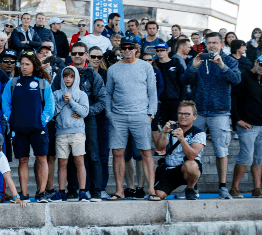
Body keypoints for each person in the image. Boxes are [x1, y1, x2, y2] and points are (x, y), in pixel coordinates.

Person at [182, 31, 240, 199]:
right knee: (194, 151)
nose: (212, 45)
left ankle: (222, 187)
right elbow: (184, 80)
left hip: (220, 112)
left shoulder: (229, 61)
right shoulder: (199, 59)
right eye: (209, 43)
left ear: (222, 44)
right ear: (205, 44)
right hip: (198, 112)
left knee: (221, 151)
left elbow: (236, 80)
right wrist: (193, 67)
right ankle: (193, 187)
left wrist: (222, 66)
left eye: (215, 42)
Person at [105, 41, 158, 200]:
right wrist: (109, 114)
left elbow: (152, 93)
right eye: (124, 48)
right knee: (118, 152)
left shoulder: (146, 67)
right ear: (120, 50)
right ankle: (119, 190)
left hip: (140, 115)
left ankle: (151, 191)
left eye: (130, 48)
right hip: (118, 117)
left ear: (136, 50)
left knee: (146, 153)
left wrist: (150, 114)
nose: (127, 51)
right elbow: (108, 93)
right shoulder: (113, 69)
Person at [1, 53, 54, 203]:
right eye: (22, 64)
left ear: (34, 66)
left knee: (42, 158)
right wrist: (11, 119)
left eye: (27, 64)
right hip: (19, 129)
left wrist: (42, 121)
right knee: (22, 160)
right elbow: (5, 103)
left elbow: (50, 106)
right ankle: (23, 193)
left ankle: (42, 192)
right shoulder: (12, 83)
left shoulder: (43, 83)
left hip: (38, 129)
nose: (23, 67)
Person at [63, 44, 109, 201]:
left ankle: (96, 191)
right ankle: (72, 190)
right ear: (70, 54)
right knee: (70, 157)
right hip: (68, 121)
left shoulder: (94, 76)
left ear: (87, 55)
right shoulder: (63, 74)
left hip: (88, 120)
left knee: (93, 155)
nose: (77, 56)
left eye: (80, 53)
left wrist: (86, 112)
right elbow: (54, 95)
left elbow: (102, 101)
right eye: (74, 53)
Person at [151, 101, 206, 200]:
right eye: (180, 113)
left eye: (187, 114)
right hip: (170, 169)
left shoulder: (199, 133)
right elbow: (160, 150)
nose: (182, 116)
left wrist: (182, 139)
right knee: (158, 195)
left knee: (191, 164)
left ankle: (190, 188)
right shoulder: (171, 129)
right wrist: (163, 132)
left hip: (187, 168)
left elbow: (192, 156)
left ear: (194, 116)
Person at [51, 66, 90, 201]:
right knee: (62, 162)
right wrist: (62, 101)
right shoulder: (56, 94)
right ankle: (62, 191)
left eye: (71, 76)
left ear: (76, 78)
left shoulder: (81, 94)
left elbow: (85, 112)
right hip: (61, 132)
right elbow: (52, 113)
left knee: (79, 161)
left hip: (77, 133)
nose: (68, 79)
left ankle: (83, 191)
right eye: (65, 76)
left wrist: (72, 102)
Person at [230, 56, 262, 197]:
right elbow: (233, 98)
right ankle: (234, 187)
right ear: (255, 62)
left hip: (261, 126)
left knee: (259, 158)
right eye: (261, 64)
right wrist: (237, 120)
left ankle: (257, 188)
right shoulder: (243, 77)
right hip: (248, 125)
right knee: (246, 156)